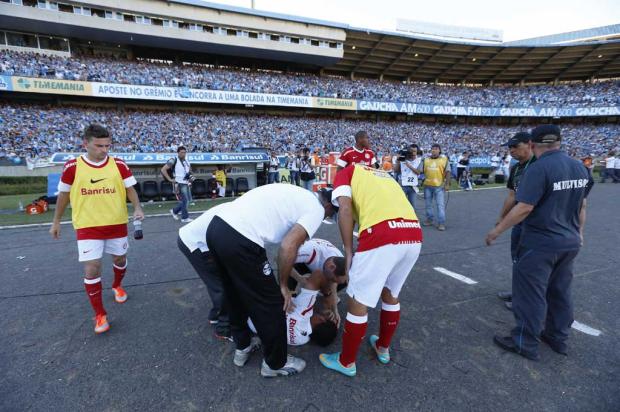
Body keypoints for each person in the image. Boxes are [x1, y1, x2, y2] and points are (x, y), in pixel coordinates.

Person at [205, 185, 338, 377]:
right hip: (241, 238)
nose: (325, 219)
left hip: (216, 228)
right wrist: (283, 286)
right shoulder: (316, 209)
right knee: (274, 303)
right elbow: (288, 246)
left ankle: (243, 345)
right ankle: (275, 364)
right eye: (329, 215)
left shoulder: (299, 194)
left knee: (234, 294)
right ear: (329, 207)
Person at [486, 125, 594, 361]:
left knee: (530, 294)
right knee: (560, 292)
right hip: (570, 239)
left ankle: (525, 341)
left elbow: (524, 206)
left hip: (541, 241)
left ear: (533, 145)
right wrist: (580, 233)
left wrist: (497, 230)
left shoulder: (538, 168)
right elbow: (582, 206)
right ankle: (557, 337)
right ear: (559, 142)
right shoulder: (580, 167)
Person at [319, 164, 423, 377]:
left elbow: (345, 209)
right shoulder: (380, 173)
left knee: (358, 301)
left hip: (381, 234)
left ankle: (346, 361)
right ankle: (383, 348)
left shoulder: (345, 173)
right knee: (391, 294)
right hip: (413, 233)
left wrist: (348, 250)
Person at [49, 124, 144, 334]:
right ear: (86, 144)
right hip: (87, 225)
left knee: (119, 260)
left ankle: (117, 285)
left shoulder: (119, 164)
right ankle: (100, 314)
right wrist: (56, 221)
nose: (104, 150)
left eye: (107, 145)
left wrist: (137, 207)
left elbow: (131, 190)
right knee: (92, 267)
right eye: (99, 146)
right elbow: (63, 196)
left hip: (116, 223)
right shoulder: (72, 166)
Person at [178, 204, 231, 339]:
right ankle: (224, 329)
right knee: (222, 285)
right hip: (197, 243)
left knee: (220, 281)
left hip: (197, 238)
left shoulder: (241, 206)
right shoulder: (241, 217)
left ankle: (216, 315)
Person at [495, 132, 535, 310]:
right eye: (509, 147)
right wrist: (502, 217)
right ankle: (518, 292)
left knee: (530, 262)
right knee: (517, 259)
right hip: (519, 221)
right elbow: (512, 195)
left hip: (535, 223)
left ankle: (525, 299)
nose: (511, 150)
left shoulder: (538, 165)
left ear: (529, 144)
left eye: (515, 146)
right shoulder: (516, 168)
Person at [421, 144, 451, 231]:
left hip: (439, 186)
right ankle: (430, 219)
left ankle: (441, 223)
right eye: (432, 149)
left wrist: (447, 184)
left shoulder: (444, 159)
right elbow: (419, 171)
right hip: (427, 186)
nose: (434, 150)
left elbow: (448, 172)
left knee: (440, 205)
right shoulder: (425, 160)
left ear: (439, 151)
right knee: (428, 205)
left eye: (436, 149)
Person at [162, 146, 193, 223]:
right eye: (182, 152)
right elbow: (163, 169)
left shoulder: (186, 160)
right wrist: (169, 179)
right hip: (179, 183)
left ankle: (174, 211)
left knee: (188, 200)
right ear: (178, 153)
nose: (183, 154)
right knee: (185, 200)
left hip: (186, 182)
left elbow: (189, 170)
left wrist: (190, 175)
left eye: (185, 152)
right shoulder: (173, 160)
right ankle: (184, 218)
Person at [394, 145, 422, 210]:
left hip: (413, 187)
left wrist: (408, 165)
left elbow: (418, 172)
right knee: (401, 205)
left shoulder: (419, 160)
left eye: (414, 151)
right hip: (403, 185)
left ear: (417, 152)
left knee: (413, 206)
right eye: (411, 151)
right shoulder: (402, 159)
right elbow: (395, 170)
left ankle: (413, 219)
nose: (413, 153)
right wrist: (398, 160)